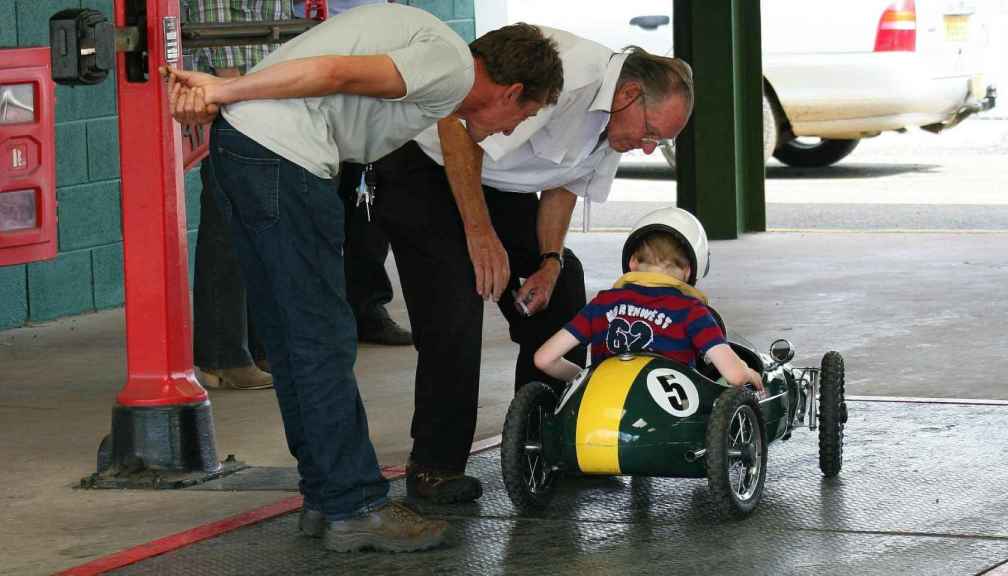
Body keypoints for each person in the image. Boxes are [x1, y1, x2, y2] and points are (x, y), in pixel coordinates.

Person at [164, 5, 563, 553]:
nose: (514, 130)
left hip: (247, 149)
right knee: (323, 338)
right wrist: (220, 92)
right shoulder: (450, 65)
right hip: (283, 156)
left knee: (289, 337)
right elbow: (333, 72)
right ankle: (354, 505)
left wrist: (225, 90)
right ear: (511, 90)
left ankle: (327, 498)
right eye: (525, 114)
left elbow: (314, 69)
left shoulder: (441, 72)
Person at [372, 28, 694, 503]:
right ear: (628, 95)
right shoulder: (568, 80)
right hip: (428, 170)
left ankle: (545, 443)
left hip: (501, 187)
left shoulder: (618, 124)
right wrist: (480, 237)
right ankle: (434, 467)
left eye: (659, 142)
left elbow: (563, 183)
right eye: (650, 133)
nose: (648, 147)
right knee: (458, 296)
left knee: (565, 285)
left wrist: (548, 261)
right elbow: (459, 129)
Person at [534, 206, 764, 393]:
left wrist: (585, 380)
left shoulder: (602, 304)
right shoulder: (692, 312)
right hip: (667, 423)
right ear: (688, 272)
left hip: (600, 413)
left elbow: (544, 359)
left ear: (633, 262)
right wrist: (748, 372)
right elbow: (733, 375)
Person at [185, 0, 292, 390]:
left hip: (266, 87)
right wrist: (232, 94)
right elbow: (212, 14)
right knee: (227, 224)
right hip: (238, 91)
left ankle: (258, 346)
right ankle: (223, 355)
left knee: (257, 221)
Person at [294, 0, 413, 346]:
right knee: (316, 210)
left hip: (370, 68)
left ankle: (368, 308)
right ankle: (320, 317)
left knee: (368, 202)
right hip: (312, 64)